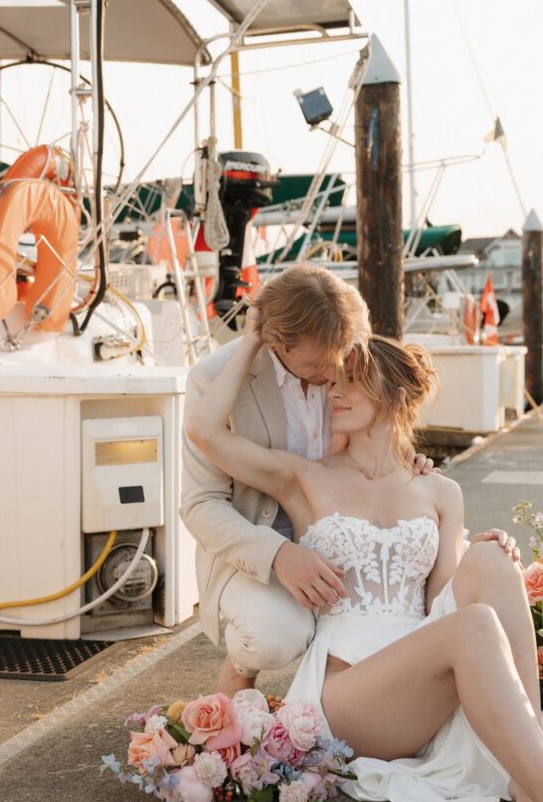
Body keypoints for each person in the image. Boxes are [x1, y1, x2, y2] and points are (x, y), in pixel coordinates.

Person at [186, 311, 543, 802]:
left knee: (490, 560)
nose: (333, 392)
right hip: (349, 696)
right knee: (473, 626)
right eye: (332, 381)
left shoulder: (439, 488)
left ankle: (533, 773)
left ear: (392, 393)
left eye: (350, 381)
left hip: (422, 679)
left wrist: (490, 557)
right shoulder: (304, 476)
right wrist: (256, 335)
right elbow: (205, 433)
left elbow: (443, 598)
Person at [181, 264, 518, 697]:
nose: (334, 379)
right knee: (273, 635)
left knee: (490, 567)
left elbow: (378, 417)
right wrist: (279, 555)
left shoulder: (343, 356)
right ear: (279, 343)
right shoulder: (213, 380)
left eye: (343, 366)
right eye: (322, 366)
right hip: (260, 539)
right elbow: (200, 503)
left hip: (347, 517)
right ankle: (241, 668)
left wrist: (404, 466)